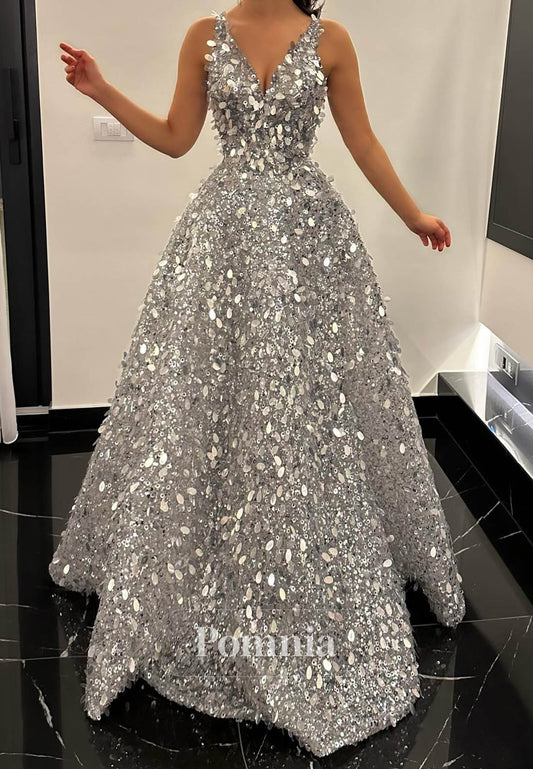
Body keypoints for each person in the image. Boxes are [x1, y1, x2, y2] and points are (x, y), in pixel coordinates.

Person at [49, 0, 465, 757]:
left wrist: (411, 214)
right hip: (226, 243)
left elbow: (362, 139)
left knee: (303, 405)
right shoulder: (203, 36)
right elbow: (177, 138)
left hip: (308, 243)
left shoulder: (331, 40)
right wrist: (102, 90)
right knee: (208, 401)